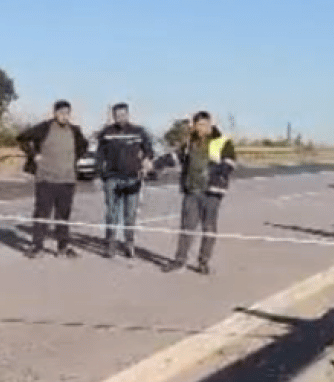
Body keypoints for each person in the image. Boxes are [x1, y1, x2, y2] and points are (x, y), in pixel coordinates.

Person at [162, 111, 236, 275]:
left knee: (209, 228)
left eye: (205, 124)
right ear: (194, 126)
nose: (202, 128)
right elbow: (175, 157)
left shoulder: (222, 142)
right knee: (187, 227)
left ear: (210, 124)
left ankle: (203, 261)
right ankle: (179, 260)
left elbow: (230, 163)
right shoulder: (190, 143)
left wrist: (214, 171)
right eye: (199, 125)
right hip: (192, 191)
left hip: (212, 192)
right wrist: (155, 164)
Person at [16, 99, 90, 259]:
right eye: (61, 112)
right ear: (55, 113)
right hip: (46, 180)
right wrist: (34, 155)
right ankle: (37, 247)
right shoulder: (45, 127)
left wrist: (73, 160)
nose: (64, 116)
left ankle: (63, 247)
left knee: (63, 216)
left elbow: (84, 146)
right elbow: (22, 138)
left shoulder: (74, 130)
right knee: (42, 214)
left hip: (67, 180)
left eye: (67, 113)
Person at [95, 102, 155, 258]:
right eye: (117, 115)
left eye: (123, 114)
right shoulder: (106, 133)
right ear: (113, 116)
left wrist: (147, 161)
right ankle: (110, 244)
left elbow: (149, 151)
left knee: (130, 214)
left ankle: (129, 244)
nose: (120, 118)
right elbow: (99, 155)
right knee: (112, 213)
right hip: (112, 179)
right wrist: (100, 174)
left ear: (128, 114)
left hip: (132, 179)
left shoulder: (138, 132)